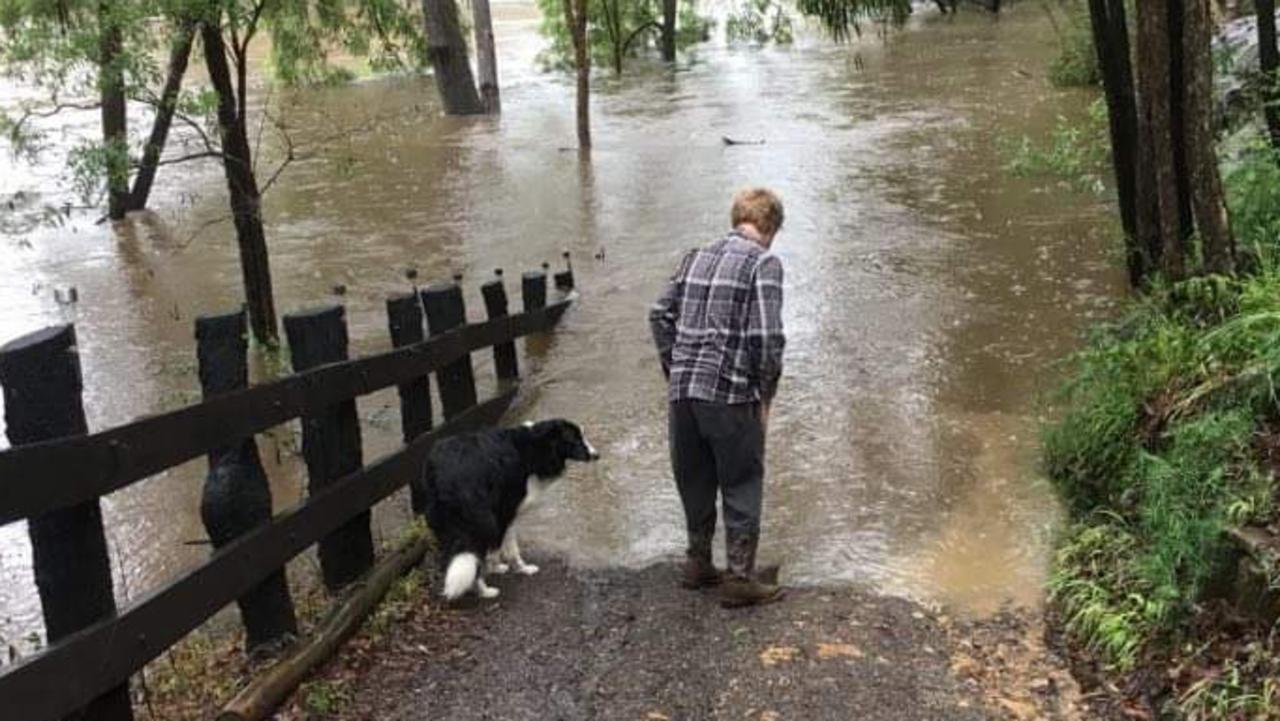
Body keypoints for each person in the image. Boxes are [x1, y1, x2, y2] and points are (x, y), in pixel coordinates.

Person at [649, 187, 786, 608]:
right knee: (742, 480)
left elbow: (659, 314)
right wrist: (764, 396)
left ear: (737, 219)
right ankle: (740, 578)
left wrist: (676, 369)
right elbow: (766, 338)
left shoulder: (695, 256)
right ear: (770, 226)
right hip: (730, 393)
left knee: (695, 477)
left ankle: (698, 563)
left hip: (683, 394)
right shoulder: (764, 262)